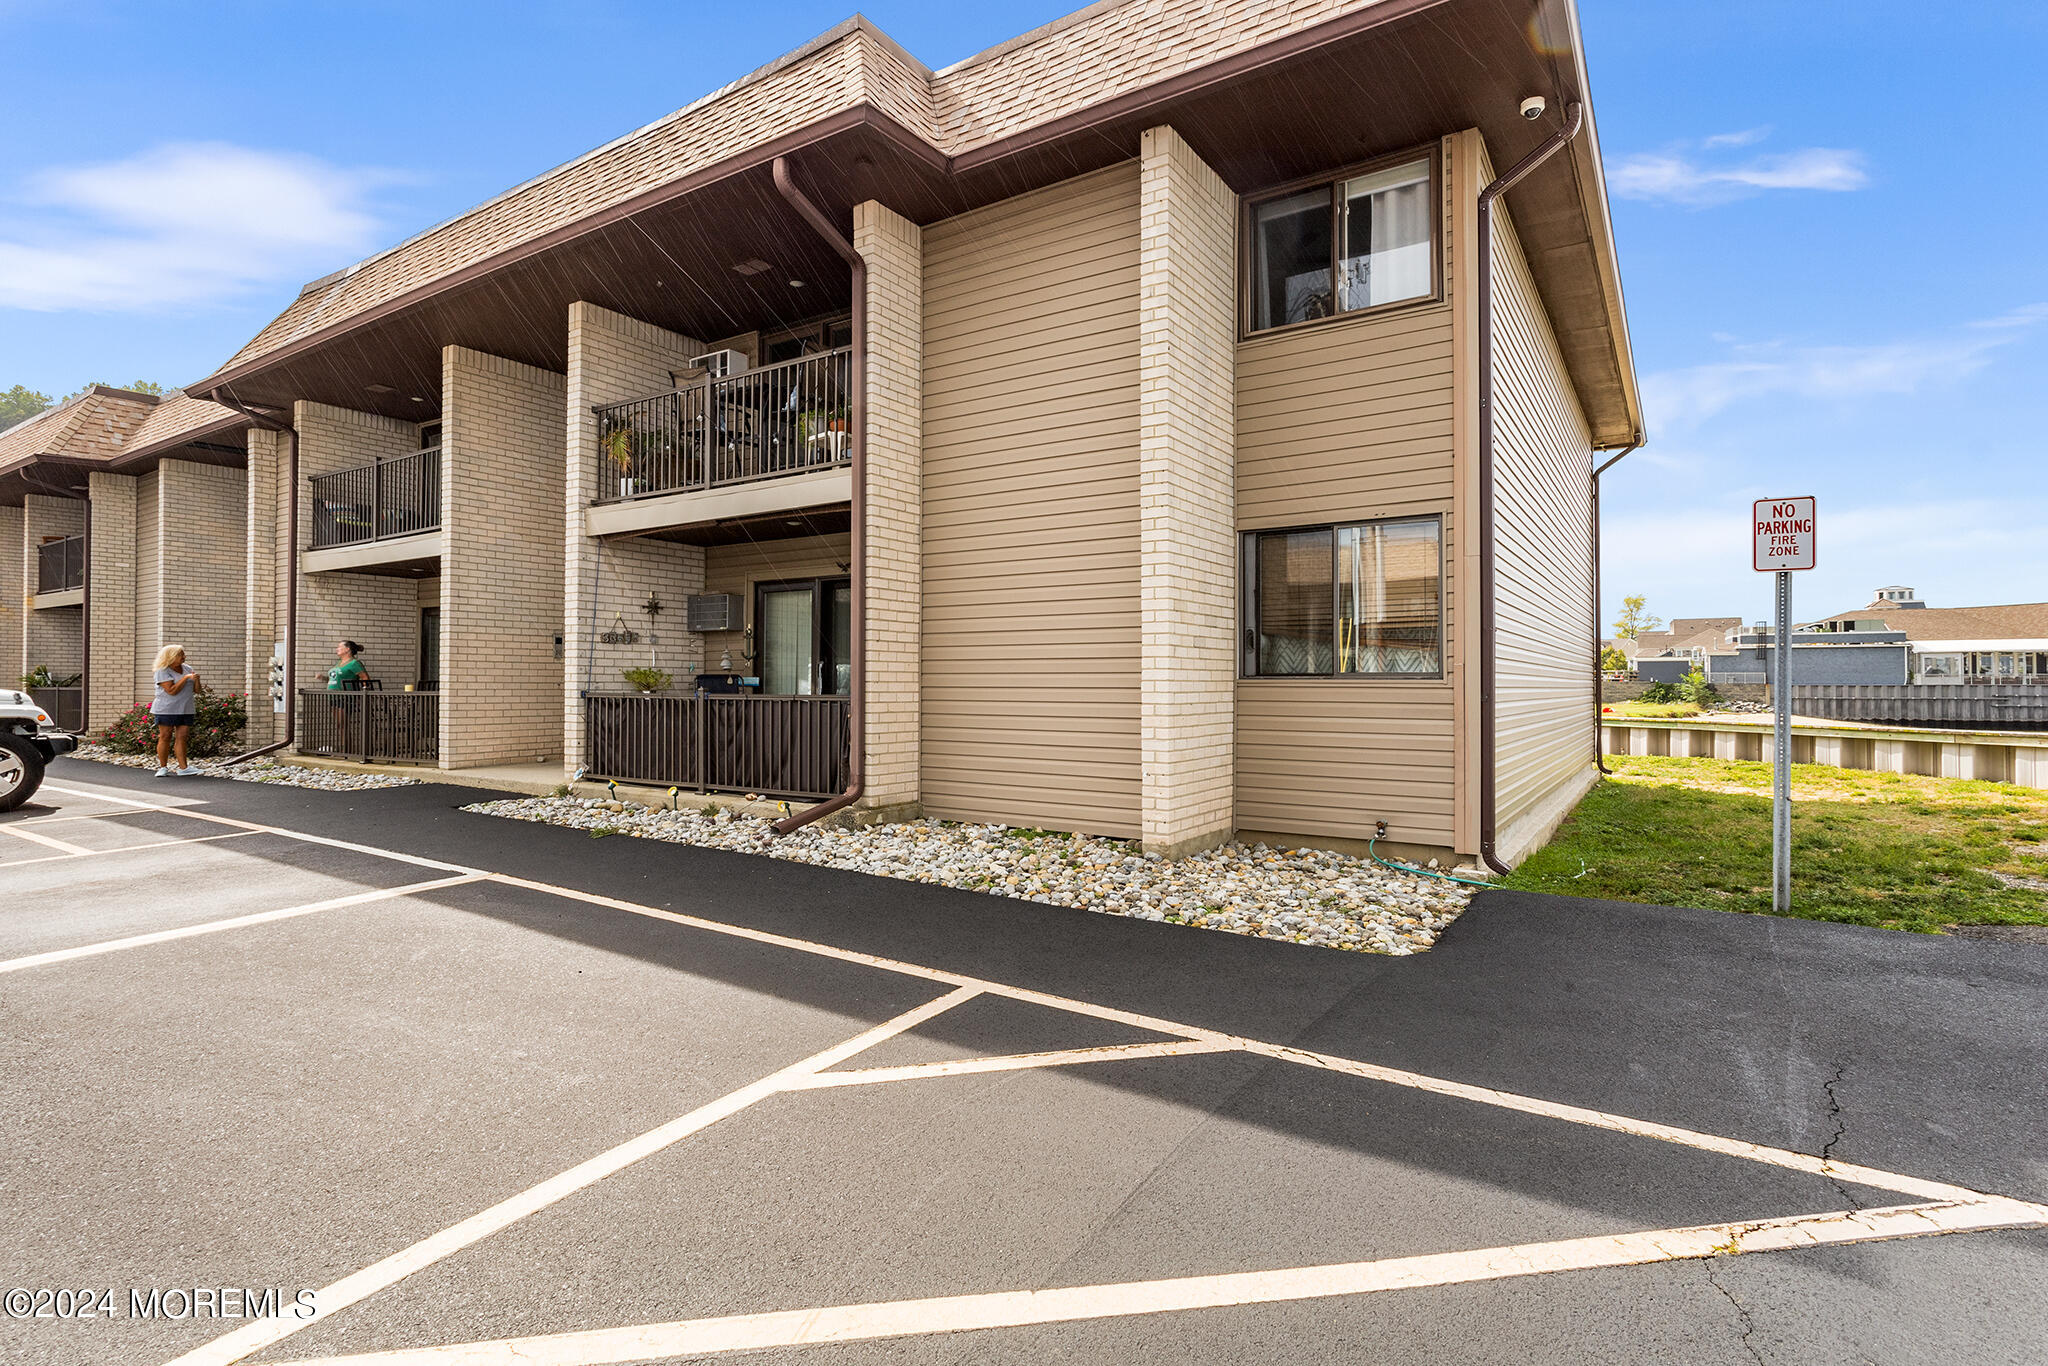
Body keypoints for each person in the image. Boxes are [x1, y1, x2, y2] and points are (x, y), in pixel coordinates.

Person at [151, 644, 200, 776]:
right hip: (166, 709)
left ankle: (184, 768)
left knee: (182, 737)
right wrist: (185, 678)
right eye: (180, 655)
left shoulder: (188, 668)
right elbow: (171, 691)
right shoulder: (162, 670)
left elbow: (197, 690)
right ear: (171, 656)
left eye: (183, 654)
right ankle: (163, 768)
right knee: (165, 736)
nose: (184, 656)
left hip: (186, 708)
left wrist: (196, 680)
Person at [326, 640, 367, 753]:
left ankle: (347, 750)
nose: (337, 649)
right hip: (333, 697)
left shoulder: (354, 663)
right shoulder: (339, 663)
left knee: (342, 724)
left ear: (347, 649)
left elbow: (365, 678)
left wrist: (364, 692)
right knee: (339, 725)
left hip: (345, 697)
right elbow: (335, 679)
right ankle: (345, 748)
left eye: (339, 647)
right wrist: (323, 678)